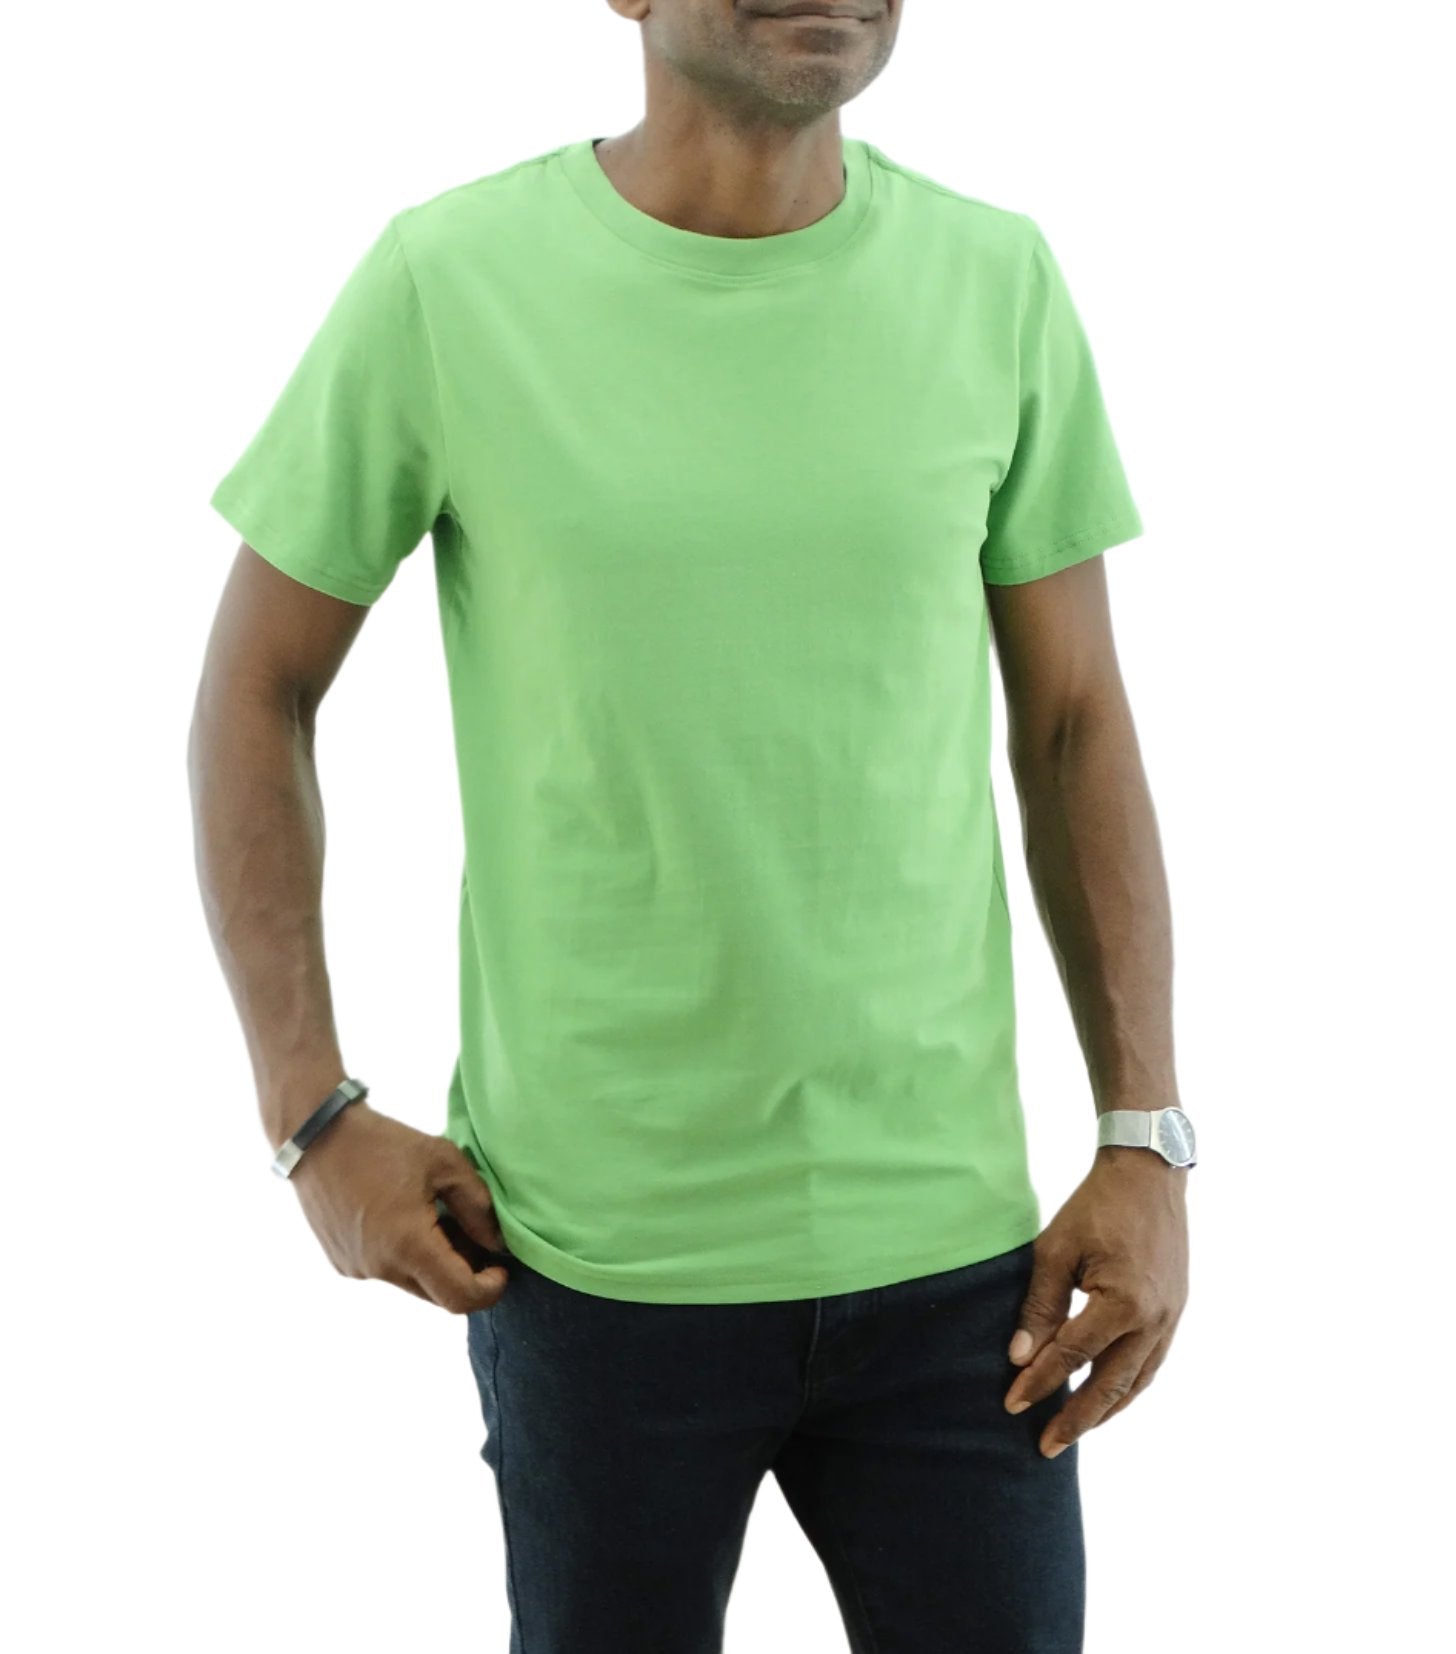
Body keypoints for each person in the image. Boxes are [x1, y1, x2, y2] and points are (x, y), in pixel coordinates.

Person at [188, 2, 1193, 1648]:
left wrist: (1144, 1134)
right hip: (589, 1270)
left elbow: (1076, 721)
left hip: (961, 1270)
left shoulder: (995, 279)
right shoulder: (450, 283)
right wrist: (310, 1112)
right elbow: (256, 688)